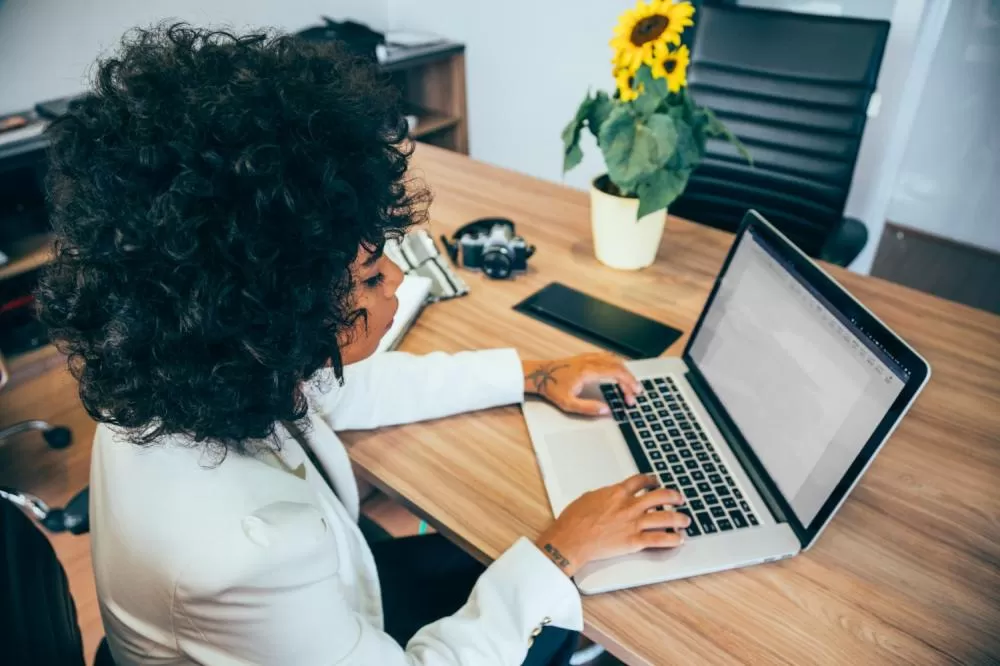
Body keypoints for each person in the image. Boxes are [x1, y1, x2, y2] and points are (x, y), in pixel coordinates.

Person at [37, 25, 691, 666]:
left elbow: (343, 387)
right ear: (281, 317)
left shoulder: (184, 366)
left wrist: (534, 374)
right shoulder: (245, 558)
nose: (401, 281)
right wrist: (562, 549)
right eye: (373, 276)